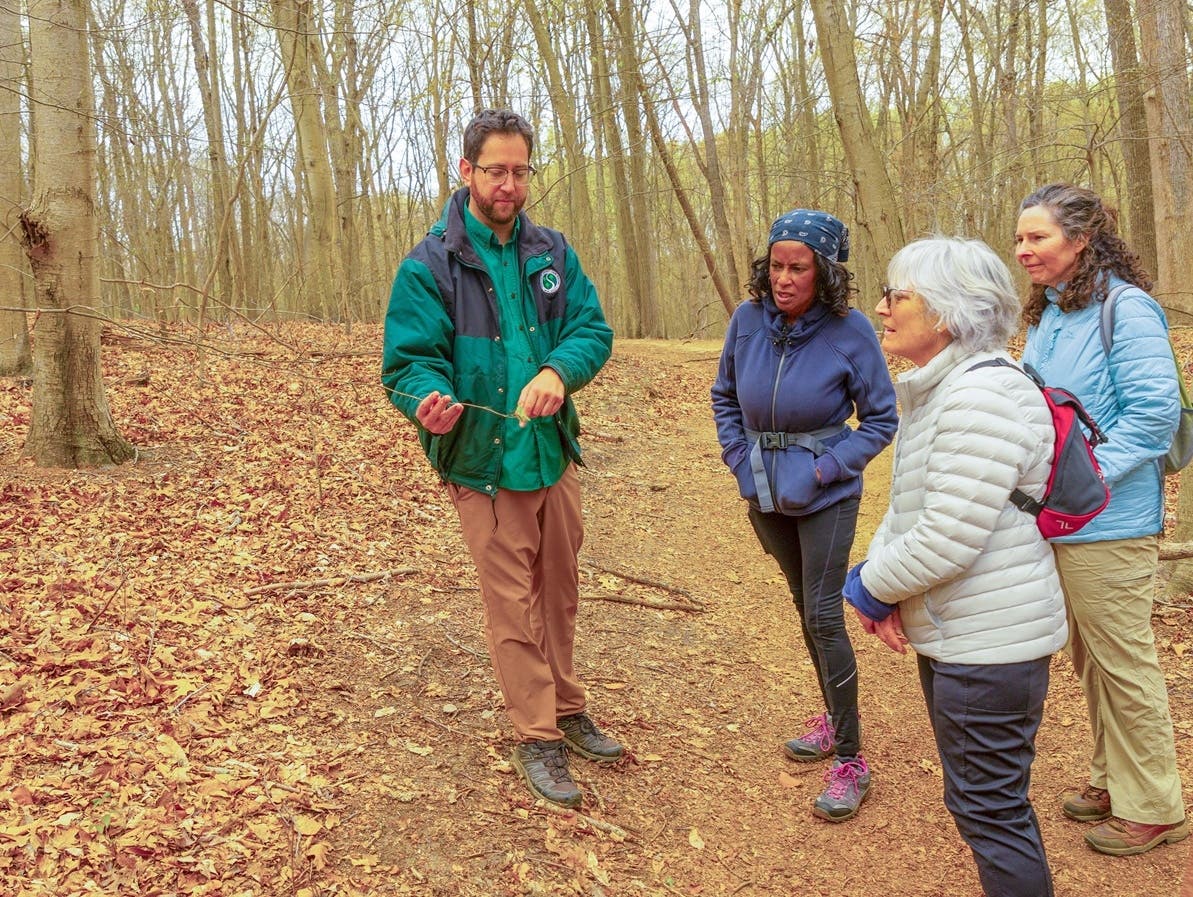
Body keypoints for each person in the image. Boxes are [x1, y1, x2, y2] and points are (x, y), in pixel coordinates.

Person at [381, 109, 619, 809]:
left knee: (560, 590)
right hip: (482, 464)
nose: (510, 185)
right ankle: (537, 734)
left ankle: (568, 706)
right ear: (466, 172)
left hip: (550, 453)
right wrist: (427, 399)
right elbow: (406, 364)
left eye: (520, 171)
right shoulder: (429, 265)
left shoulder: (551, 252)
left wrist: (556, 372)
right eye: (496, 171)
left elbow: (590, 330)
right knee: (512, 605)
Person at [844, 236, 1067, 896]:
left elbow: (945, 538)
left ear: (943, 313)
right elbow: (910, 509)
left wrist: (866, 587)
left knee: (989, 811)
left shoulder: (978, 397)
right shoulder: (941, 388)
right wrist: (884, 586)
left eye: (897, 295)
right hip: (964, 631)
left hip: (990, 646)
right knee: (982, 804)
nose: (881, 307)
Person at [1016, 183, 1187, 856]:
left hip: (1111, 519)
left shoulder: (1128, 308)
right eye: (1019, 238)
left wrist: (1078, 480)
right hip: (1062, 516)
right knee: (1090, 660)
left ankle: (1155, 806)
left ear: (1080, 240)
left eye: (1037, 237)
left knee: (1123, 661)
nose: (1023, 249)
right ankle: (1110, 778)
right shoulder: (1053, 311)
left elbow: (1152, 416)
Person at [711, 209, 898, 822]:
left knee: (823, 614)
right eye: (776, 265)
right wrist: (740, 460)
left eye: (799, 267)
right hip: (763, 491)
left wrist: (824, 469)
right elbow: (724, 397)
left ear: (825, 273)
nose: (784, 278)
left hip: (825, 494)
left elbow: (879, 420)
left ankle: (850, 758)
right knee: (801, 604)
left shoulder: (851, 330)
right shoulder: (745, 322)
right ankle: (830, 712)